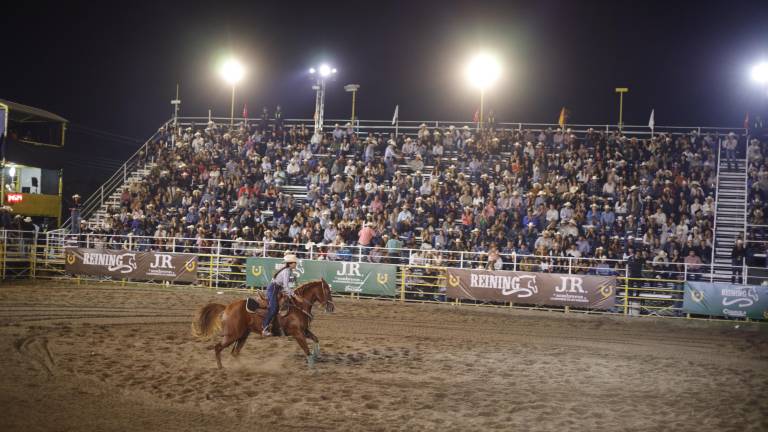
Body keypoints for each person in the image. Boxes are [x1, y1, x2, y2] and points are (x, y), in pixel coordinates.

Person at [262, 254, 298, 336]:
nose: (296, 264)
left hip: (276, 289)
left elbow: (283, 285)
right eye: (295, 263)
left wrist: (288, 293)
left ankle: (275, 326)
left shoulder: (288, 270)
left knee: (279, 306)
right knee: (274, 308)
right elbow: (285, 286)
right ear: (290, 263)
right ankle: (264, 327)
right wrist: (294, 295)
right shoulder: (287, 271)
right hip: (273, 289)